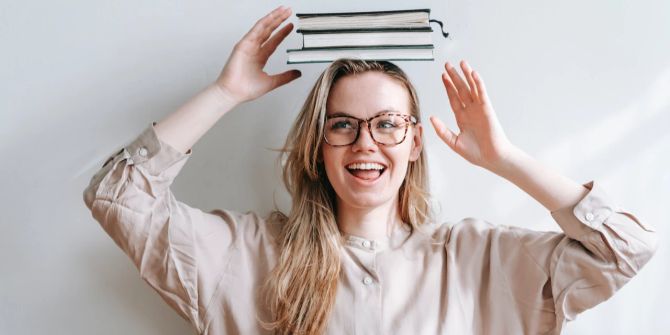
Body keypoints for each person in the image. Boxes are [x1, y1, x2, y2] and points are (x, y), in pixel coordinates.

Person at [83, 6, 658, 335]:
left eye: (387, 124)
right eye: (342, 125)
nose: (366, 143)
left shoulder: (477, 259)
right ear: (318, 144)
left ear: (413, 145)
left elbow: (625, 250)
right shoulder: (248, 254)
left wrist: (505, 159)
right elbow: (115, 195)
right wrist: (225, 92)